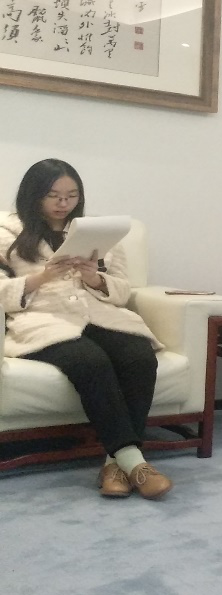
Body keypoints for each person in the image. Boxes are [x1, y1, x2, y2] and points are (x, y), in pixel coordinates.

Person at [0, 159, 172, 499]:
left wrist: (95, 278)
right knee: (91, 361)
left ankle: (114, 466)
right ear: (33, 195)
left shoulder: (97, 232)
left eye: (72, 195)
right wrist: (42, 277)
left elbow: (122, 290)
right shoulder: (6, 232)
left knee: (139, 356)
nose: (63, 203)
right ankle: (135, 463)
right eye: (53, 195)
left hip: (100, 314)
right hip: (44, 320)